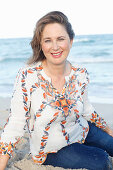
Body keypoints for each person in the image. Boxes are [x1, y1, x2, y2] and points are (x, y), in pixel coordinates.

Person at [0, 11, 113, 170]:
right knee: (101, 161)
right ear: (41, 44)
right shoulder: (28, 76)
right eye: (48, 40)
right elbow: (15, 124)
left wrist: (108, 130)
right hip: (51, 150)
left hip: (82, 129)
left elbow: (87, 109)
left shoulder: (80, 73)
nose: (55, 46)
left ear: (71, 41)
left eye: (60, 39)